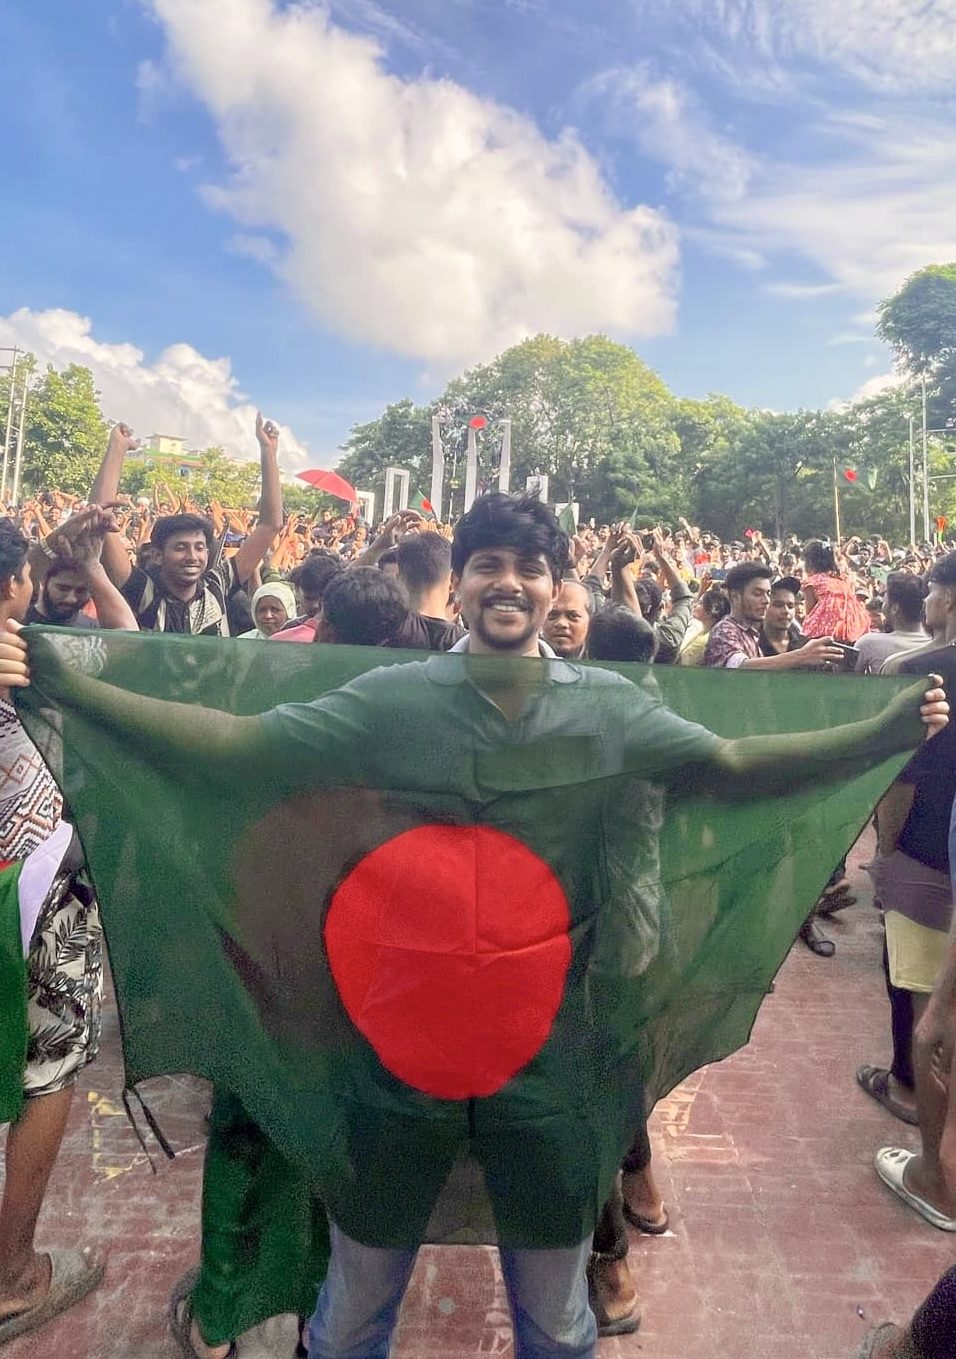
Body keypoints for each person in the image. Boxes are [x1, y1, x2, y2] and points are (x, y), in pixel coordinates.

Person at [0, 495, 947, 1359]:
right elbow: (240, 745)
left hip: (552, 1060)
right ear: (458, 583)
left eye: (530, 567)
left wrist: (880, 735)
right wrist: (65, 685)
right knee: (353, 1312)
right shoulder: (392, 696)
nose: (509, 582)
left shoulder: (607, 707)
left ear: (557, 587)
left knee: (556, 1319)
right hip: (392, 1056)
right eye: (488, 563)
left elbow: (733, 762)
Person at [0, 511, 137, 1347]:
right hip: (37, 892)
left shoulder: (28, 649)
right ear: (17, 583)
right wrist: (87, 567)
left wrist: (80, 564)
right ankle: (14, 1274)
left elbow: (123, 641)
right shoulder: (28, 655)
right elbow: (131, 651)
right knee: (46, 1069)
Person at [91, 416, 283, 635]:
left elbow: (270, 526)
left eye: (199, 547)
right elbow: (99, 519)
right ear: (158, 555)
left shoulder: (217, 585)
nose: (192, 556)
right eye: (181, 547)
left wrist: (268, 451)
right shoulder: (143, 591)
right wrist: (117, 448)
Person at [703, 563, 843, 670]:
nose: (766, 600)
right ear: (734, 596)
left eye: (768, 594)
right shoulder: (725, 630)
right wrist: (802, 656)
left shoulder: (751, 633)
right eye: (757, 594)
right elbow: (740, 668)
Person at [854, 573, 928, 674]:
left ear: (894, 608)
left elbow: (846, 680)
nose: (883, 605)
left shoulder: (869, 643)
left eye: (885, 600)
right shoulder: (938, 645)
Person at [801, 539, 869, 643]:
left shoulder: (812, 582)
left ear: (809, 562)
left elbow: (809, 613)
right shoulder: (842, 580)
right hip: (852, 630)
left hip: (822, 634)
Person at [677, 586, 730, 667]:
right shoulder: (704, 631)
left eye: (701, 603)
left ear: (710, 612)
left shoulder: (704, 642)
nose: (695, 605)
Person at [542, 579, 592, 660]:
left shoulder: (603, 657)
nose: (561, 623)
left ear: (590, 621)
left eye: (572, 616)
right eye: (553, 615)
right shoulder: (523, 655)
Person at [758, 576, 806, 657]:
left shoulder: (804, 645)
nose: (786, 611)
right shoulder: (750, 644)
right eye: (778, 605)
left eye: (790, 606)